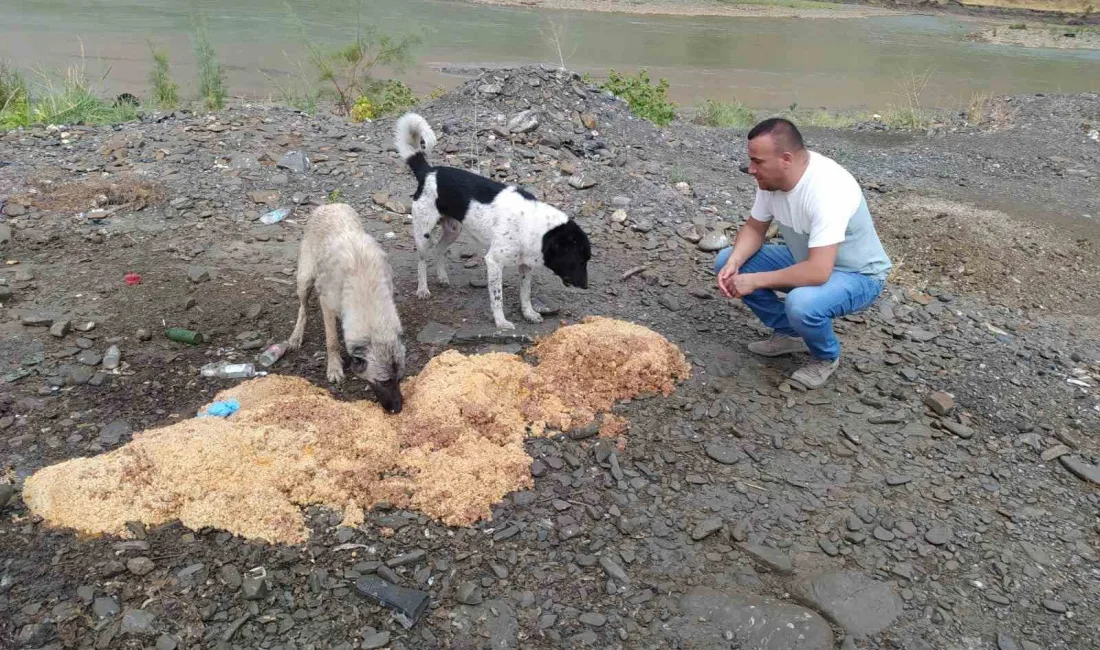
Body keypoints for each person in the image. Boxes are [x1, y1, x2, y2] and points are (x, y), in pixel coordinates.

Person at [715, 118, 892, 388]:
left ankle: (825, 357)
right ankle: (789, 334)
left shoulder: (827, 189)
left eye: (757, 161)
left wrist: (755, 281)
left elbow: (818, 272)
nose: (751, 169)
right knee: (726, 260)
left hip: (858, 274)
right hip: (808, 259)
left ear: (786, 158)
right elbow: (754, 228)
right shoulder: (771, 180)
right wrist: (736, 262)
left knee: (801, 303)